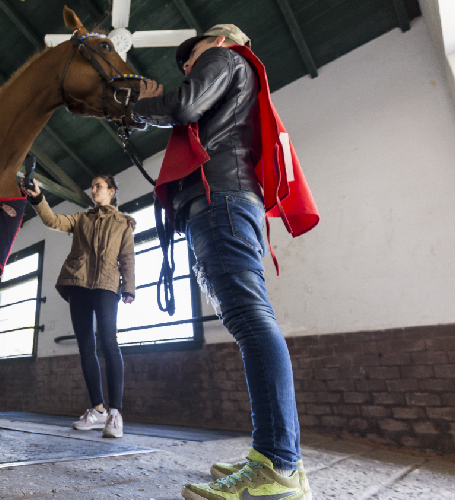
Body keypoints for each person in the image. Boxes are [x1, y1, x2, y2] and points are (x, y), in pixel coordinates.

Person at [132, 24, 318, 500]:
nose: (187, 65)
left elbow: (183, 106)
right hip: (227, 201)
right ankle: (274, 456)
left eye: (190, 55)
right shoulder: (236, 70)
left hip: (222, 201)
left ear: (216, 41)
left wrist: (138, 105)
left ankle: (278, 467)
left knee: (251, 320)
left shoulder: (224, 56)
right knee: (250, 319)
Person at [25, 175, 135, 438]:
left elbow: (127, 257)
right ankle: (98, 409)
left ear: (111, 191)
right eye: (92, 186)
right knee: (86, 346)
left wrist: (129, 287)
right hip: (77, 284)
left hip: (107, 285)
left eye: (99, 186)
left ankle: (115, 413)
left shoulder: (123, 223)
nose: (93, 189)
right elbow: (52, 220)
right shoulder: (81, 218)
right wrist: (38, 198)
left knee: (109, 343)